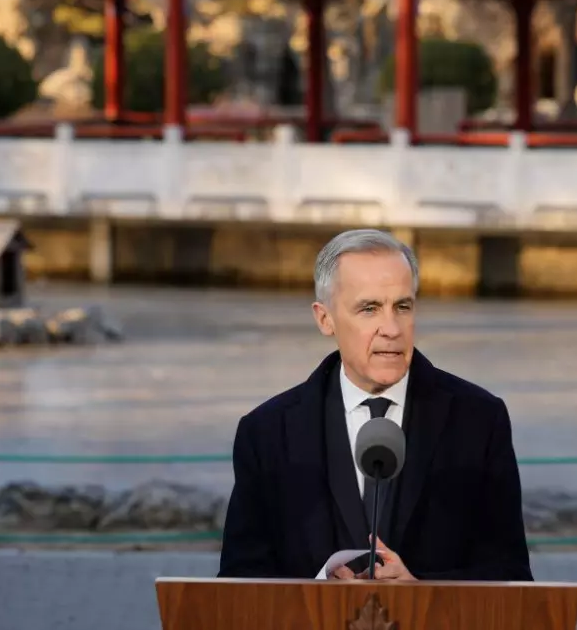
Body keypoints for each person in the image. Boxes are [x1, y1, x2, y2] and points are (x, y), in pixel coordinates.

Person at [217, 228, 532, 582]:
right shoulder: (267, 433)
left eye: (402, 307)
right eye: (369, 309)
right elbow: (239, 581)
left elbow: (512, 578)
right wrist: (315, 595)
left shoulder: (478, 421)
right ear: (325, 319)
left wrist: (421, 592)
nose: (391, 329)